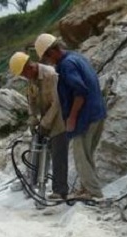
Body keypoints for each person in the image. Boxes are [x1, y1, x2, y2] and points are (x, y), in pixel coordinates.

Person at [34, 33, 107, 200]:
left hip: (85, 116)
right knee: (86, 155)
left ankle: (94, 193)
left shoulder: (66, 65)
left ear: (51, 52)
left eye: (47, 58)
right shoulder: (75, 56)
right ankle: (86, 188)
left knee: (80, 156)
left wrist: (72, 117)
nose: (49, 62)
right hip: (97, 112)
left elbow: (80, 92)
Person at [9, 51, 69, 200]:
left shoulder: (50, 75)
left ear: (29, 67)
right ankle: (33, 183)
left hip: (59, 120)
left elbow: (56, 103)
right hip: (44, 118)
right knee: (37, 149)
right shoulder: (32, 79)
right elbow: (32, 99)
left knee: (58, 154)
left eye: (24, 73)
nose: (24, 77)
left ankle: (60, 191)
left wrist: (45, 123)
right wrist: (32, 117)